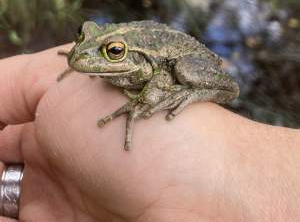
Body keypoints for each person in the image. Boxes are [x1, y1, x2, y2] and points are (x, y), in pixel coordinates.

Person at [0, 46, 299, 222]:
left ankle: (192, 89)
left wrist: (141, 104)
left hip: (177, 58)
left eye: (114, 52)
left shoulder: (147, 67)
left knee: (185, 70)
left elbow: (157, 75)